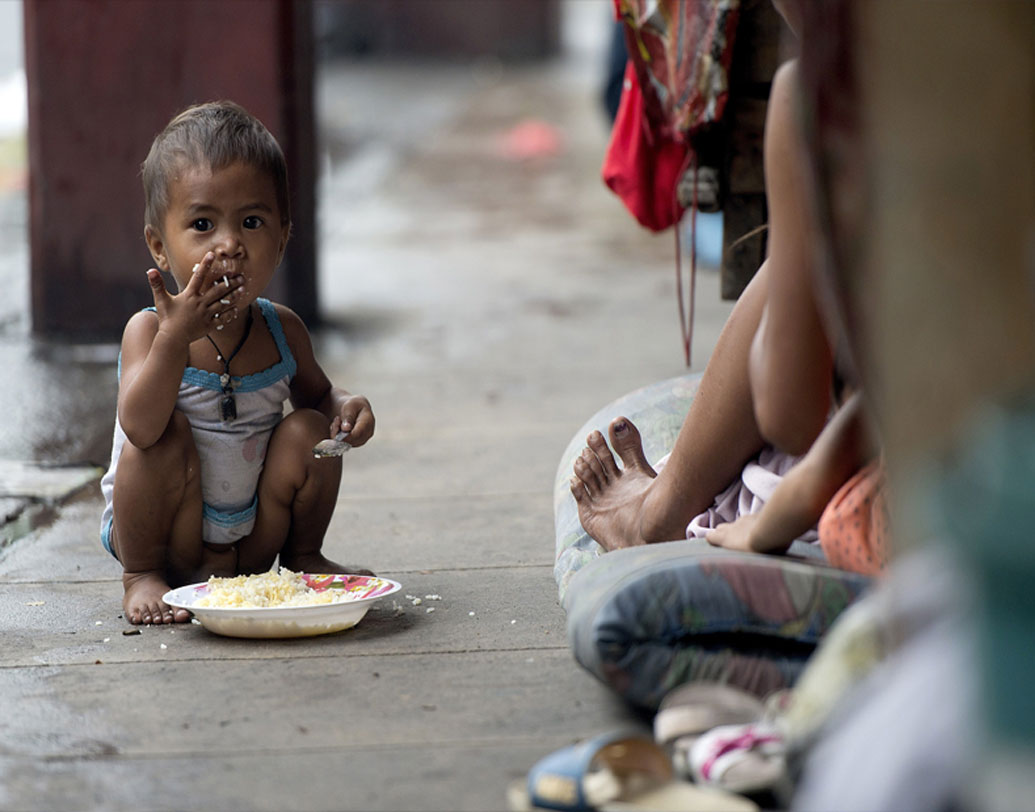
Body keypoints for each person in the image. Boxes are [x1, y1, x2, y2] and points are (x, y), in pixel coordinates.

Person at [98, 101, 376, 626]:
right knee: (163, 438)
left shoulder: (282, 330)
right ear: (159, 245)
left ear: (283, 236)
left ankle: (301, 557)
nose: (229, 245)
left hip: (253, 541)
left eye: (251, 222)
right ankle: (140, 577)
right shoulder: (149, 331)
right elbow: (138, 426)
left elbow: (319, 398)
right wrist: (176, 340)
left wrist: (346, 408)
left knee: (309, 430)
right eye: (202, 224)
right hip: (166, 534)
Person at [571, 53, 842, 555]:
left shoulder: (818, 88)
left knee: (797, 267)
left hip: (902, 507)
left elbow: (789, 415)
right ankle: (671, 493)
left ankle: (656, 517)